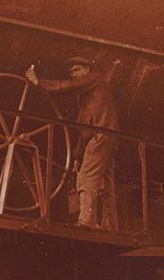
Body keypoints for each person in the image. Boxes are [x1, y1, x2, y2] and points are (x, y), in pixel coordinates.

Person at [25, 55, 121, 230]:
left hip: (101, 135)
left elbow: (67, 86)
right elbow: (83, 128)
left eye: (77, 70)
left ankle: (87, 221)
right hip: (107, 137)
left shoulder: (94, 78)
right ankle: (111, 226)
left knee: (86, 177)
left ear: (87, 69)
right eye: (71, 72)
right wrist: (77, 156)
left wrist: (38, 82)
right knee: (107, 184)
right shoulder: (87, 97)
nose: (74, 75)